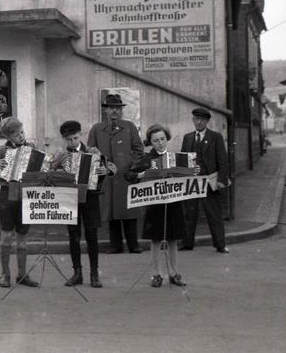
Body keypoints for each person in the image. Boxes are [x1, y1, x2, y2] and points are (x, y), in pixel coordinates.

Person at [51, 120, 115, 288]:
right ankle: (77, 273)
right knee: (73, 236)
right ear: (64, 139)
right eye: (69, 139)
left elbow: (111, 167)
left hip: (90, 198)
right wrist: (57, 171)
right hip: (70, 199)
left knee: (91, 235)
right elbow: (49, 170)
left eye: (75, 138)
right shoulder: (62, 155)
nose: (72, 142)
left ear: (80, 135)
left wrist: (106, 170)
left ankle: (94, 273)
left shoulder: (92, 151)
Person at [0, 117, 40, 288]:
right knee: (6, 236)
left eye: (22, 132)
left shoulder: (31, 148)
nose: (21, 136)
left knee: (22, 237)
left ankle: (22, 274)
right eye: (16, 135)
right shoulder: (3, 150)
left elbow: (42, 165)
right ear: (8, 137)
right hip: (7, 195)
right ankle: (5, 274)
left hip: (26, 194)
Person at [125, 124, 187, 287]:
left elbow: (187, 177)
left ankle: (174, 273)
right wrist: (141, 174)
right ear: (150, 142)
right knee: (156, 239)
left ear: (166, 139)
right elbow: (128, 175)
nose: (160, 143)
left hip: (173, 202)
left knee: (173, 238)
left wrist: (194, 171)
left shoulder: (175, 158)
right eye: (155, 140)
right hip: (155, 204)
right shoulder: (146, 159)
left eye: (162, 139)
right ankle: (157, 274)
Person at [87, 94, 144, 254]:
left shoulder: (129, 127)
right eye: (111, 108)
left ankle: (134, 244)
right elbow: (91, 152)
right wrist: (103, 165)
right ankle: (115, 245)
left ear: (121, 110)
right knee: (111, 211)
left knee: (129, 210)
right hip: (107, 178)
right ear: (106, 110)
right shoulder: (97, 129)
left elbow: (139, 150)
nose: (114, 111)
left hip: (126, 176)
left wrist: (127, 165)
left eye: (117, 108)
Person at [180, 108, 230, 253]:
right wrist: (182, 178)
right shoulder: (187, 137)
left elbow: (223, 161)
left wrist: (222, 180)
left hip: (209, 181)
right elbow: (183, 160)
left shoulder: (215, 137)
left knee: (213, 213)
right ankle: (187, 243)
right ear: (193, 120)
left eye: (202, 119)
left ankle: (220, 244)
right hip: (192, 182)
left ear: (207, 121)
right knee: (190, 213)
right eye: (196, 119)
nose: (199, 122)